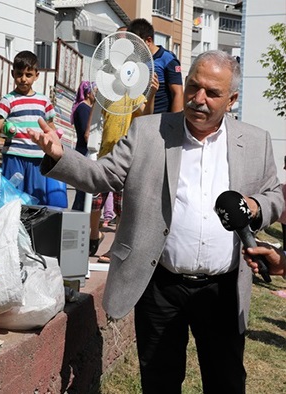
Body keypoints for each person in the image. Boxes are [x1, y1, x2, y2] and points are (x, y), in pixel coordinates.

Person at [27, 50, 283, 393]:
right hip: (161, 284)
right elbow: (103, 175)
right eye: (193, 86)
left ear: (232, 99)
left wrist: (253, 206)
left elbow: (275, 195)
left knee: (226, 382)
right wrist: (60, 156)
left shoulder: (255, 141)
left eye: (212, 92)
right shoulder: (149, 131)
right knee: (159, 381)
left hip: (223, 289)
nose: (198, 98)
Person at [90, 26, 160, 259]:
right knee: (95, 201)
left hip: (126, 157)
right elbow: (95, 117)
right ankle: (93, 235)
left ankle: (115, 247)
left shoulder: (135, 93)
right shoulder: (108, 90)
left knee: (121, 207)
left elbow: (145, 115)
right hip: (103, 155)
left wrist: (150, 95)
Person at [0, 50, 60, 206]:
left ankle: (32, 230)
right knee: (11, 200)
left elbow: (50, 128)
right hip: (14, 157)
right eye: (19, 74)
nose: (23, 79)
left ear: (36, 75)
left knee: (36, 199)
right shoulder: (8, 100)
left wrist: (56, 152)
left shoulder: (44, 101)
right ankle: (12, 230)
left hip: (38, 159)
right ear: (13, 73)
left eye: (28, 75)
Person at [128, 18, 183, 113]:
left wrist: (173, 122)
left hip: (161, 118)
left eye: (136, 44)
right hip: (141, 118)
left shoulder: (168, 59)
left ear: (148, 40)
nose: (133, 48)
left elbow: (178, 93)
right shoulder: (136, 60)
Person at [70, 80, 95, 211]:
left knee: (84, 193)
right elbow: (87, 133)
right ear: (88, 93)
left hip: (82, 151)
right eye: (95, 91)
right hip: (83, 152)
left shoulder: (85, 108)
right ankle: (77, 219)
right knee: (82, 193)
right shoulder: (83, 108)